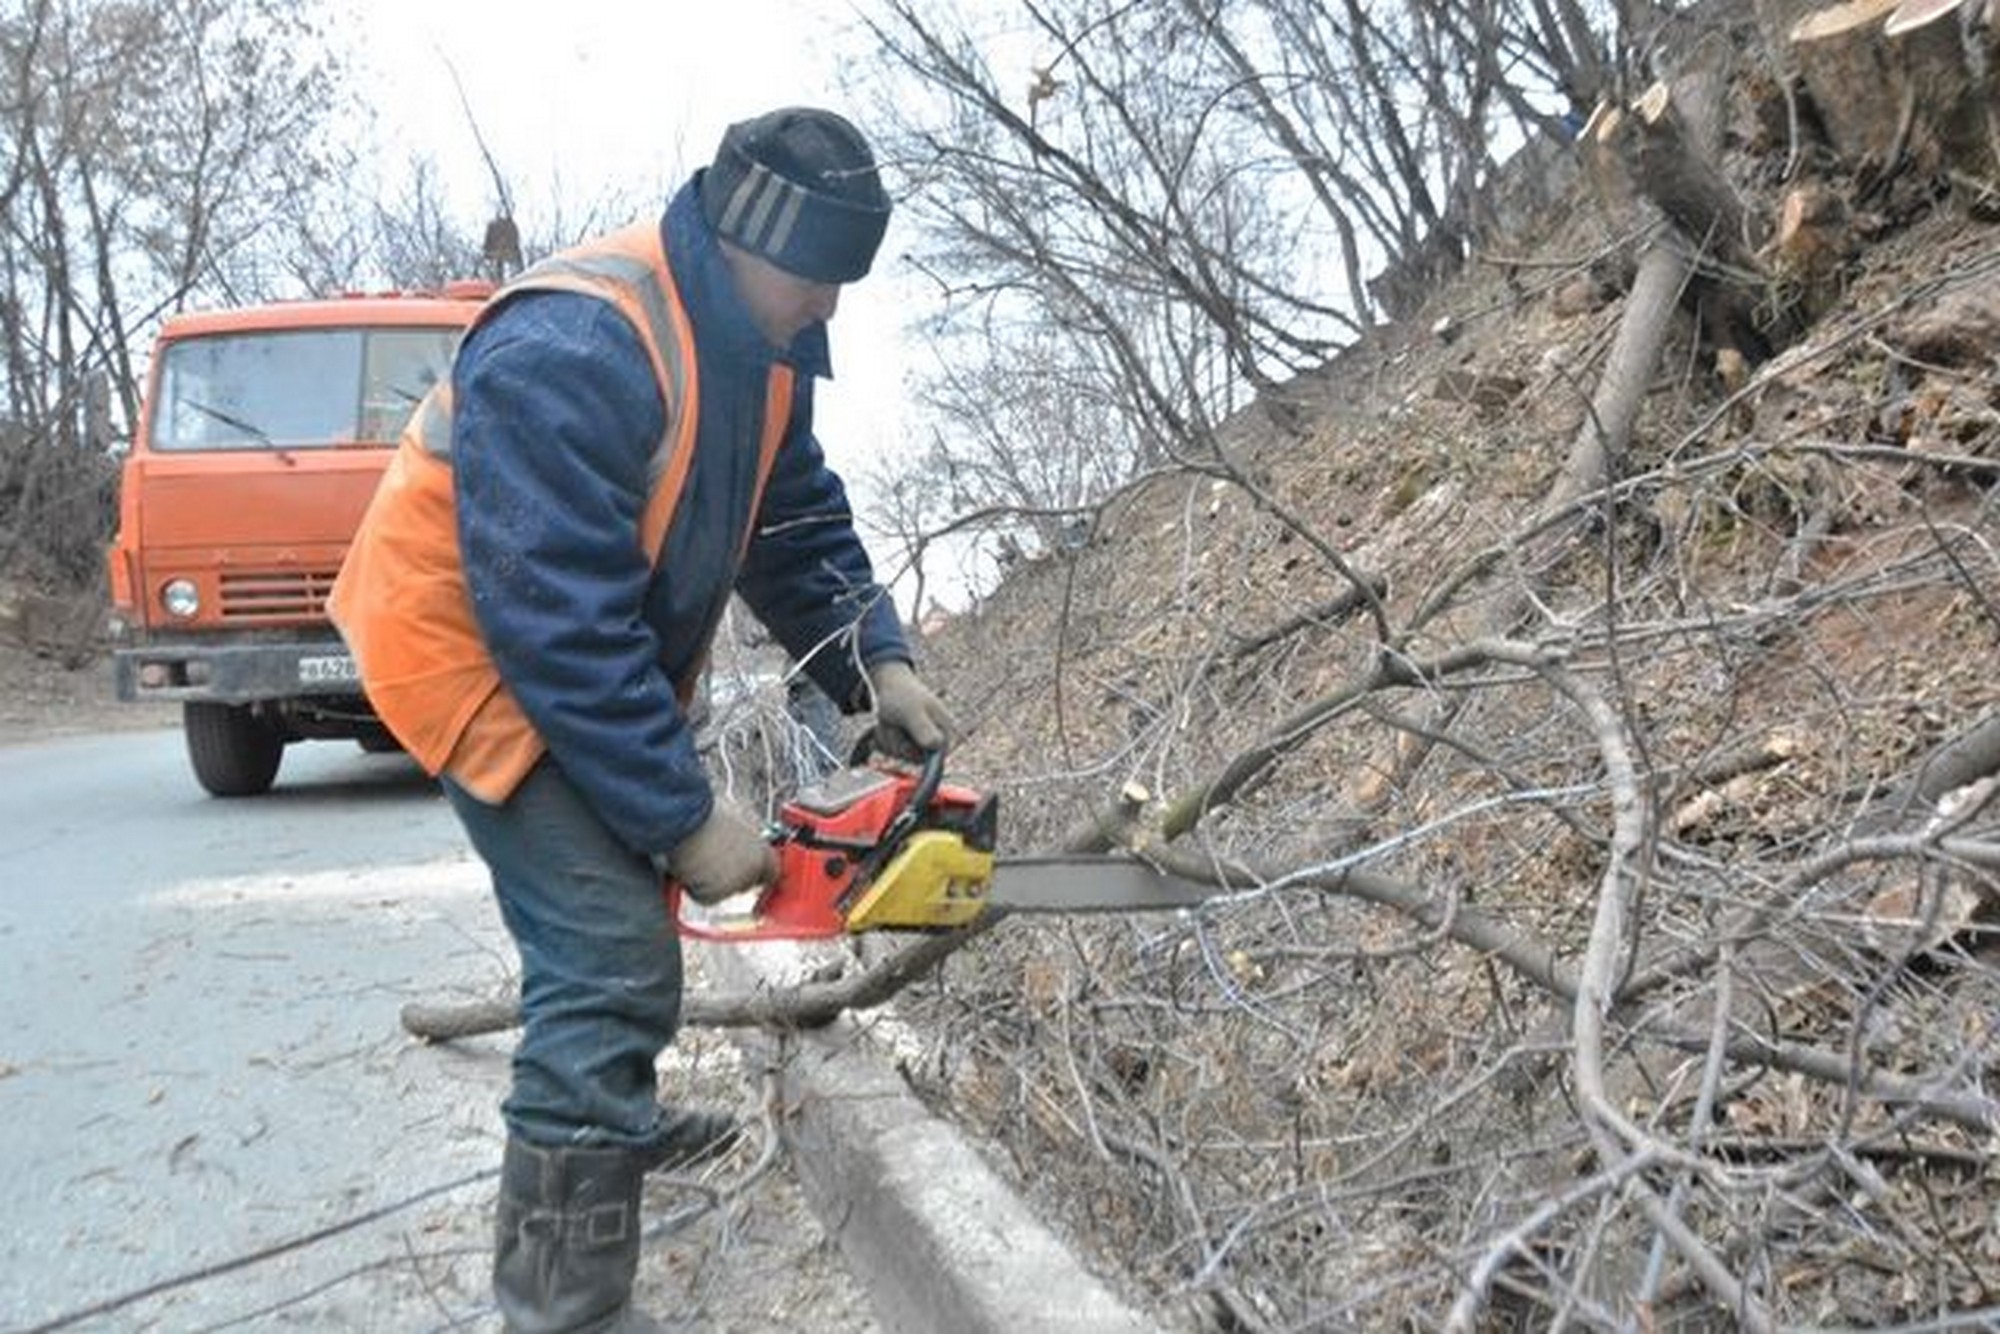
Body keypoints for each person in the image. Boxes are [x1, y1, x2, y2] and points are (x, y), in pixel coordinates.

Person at [329, 107, 954, 1332]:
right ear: (751, 242)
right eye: (818, 279)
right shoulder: (581, 341)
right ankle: (561, 1302)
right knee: (608, 952)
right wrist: (682, 815)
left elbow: (792, 524)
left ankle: (607, 1110)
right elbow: (554, 623)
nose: (828, 307)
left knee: (619, 915)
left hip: (572, 645)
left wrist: (872, 660)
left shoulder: (758, 348)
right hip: (475, 655)